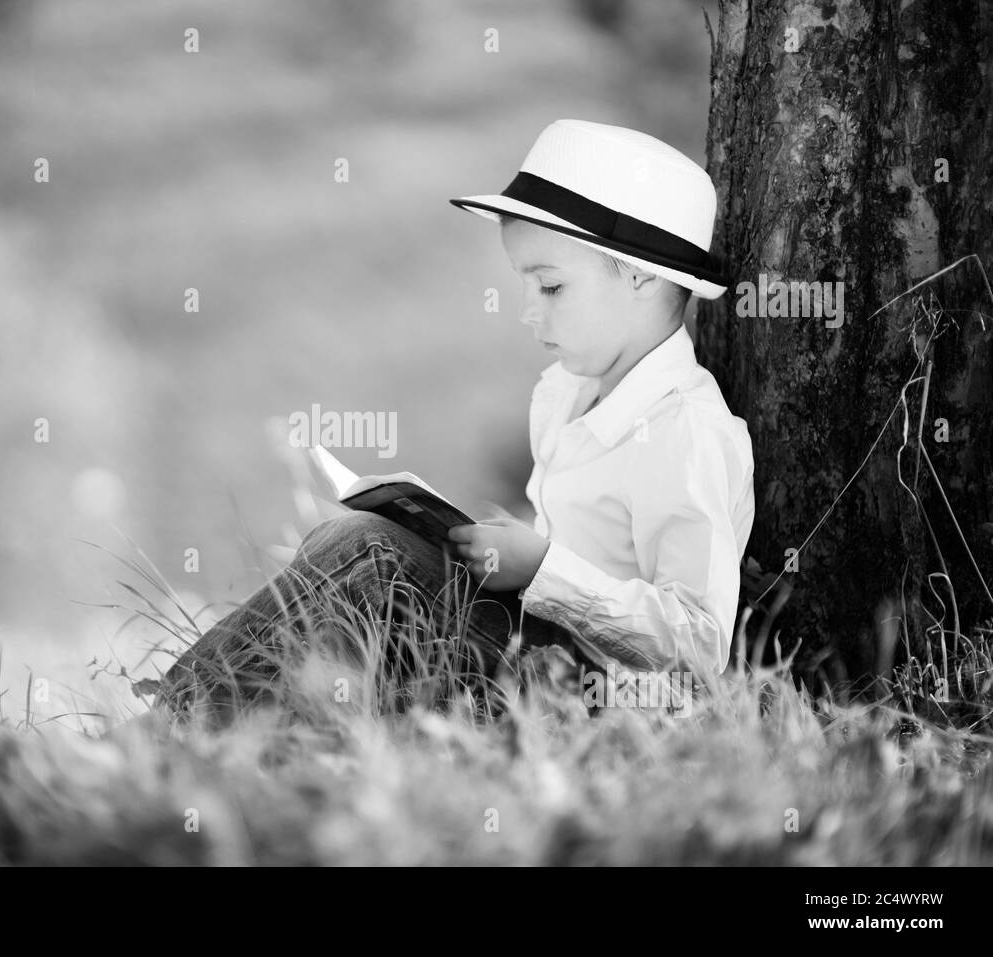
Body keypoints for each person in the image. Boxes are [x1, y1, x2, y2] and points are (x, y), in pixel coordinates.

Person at [154, 118, 755, 725]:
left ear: (640, 276)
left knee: (369, 553)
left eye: (550, 287)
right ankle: (235, 723)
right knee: (348, 545)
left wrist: (545, 569)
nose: (527, 312)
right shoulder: (563, 395)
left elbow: (699, 644)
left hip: (608, 701)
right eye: (524, 285)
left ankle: (176, 722)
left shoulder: (684, 430)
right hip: (539, 655)